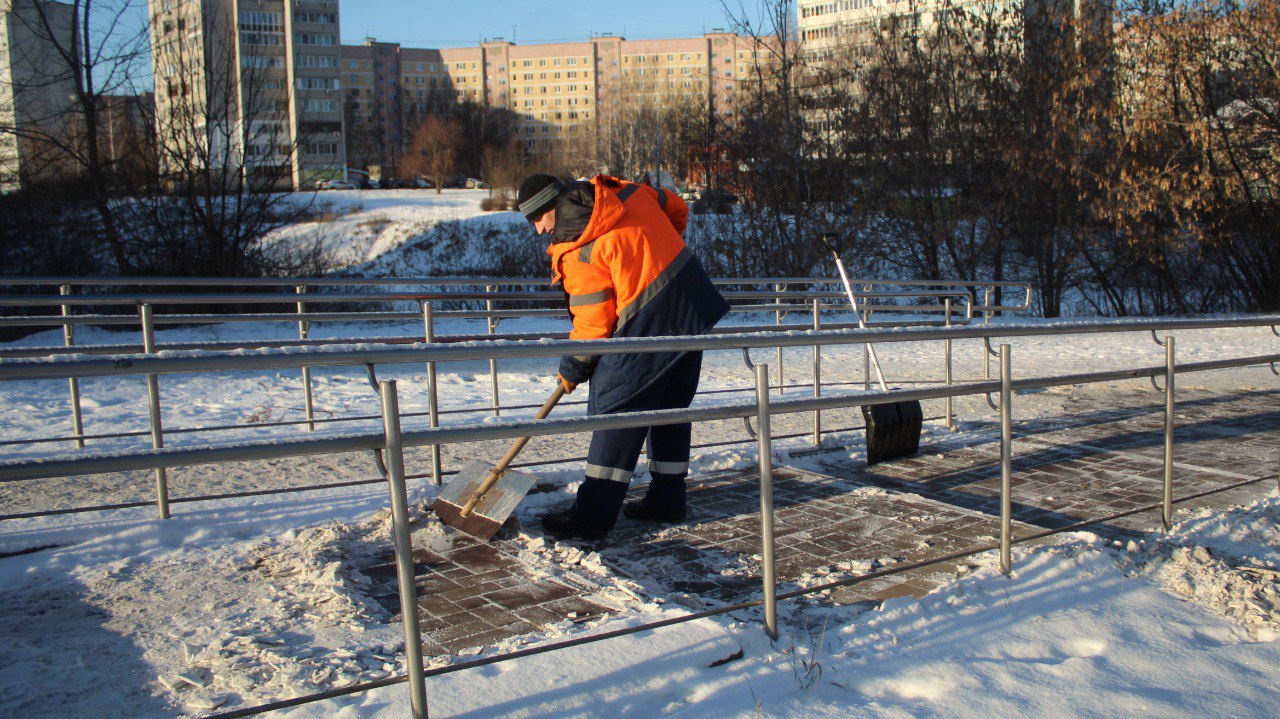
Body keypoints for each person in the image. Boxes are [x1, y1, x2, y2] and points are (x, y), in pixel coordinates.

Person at [516, 173, 730, 540]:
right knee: (669, 408)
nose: (538, 231)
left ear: (551, 208)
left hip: (647, 318)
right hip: (690, 302)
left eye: (537, 219)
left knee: (614, 409)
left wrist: (573, 367)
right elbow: (676, 206)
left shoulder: (576, 244)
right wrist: (659, 249)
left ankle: (591, 519)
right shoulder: (621, 190)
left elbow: (594, 321)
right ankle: (666, 502)